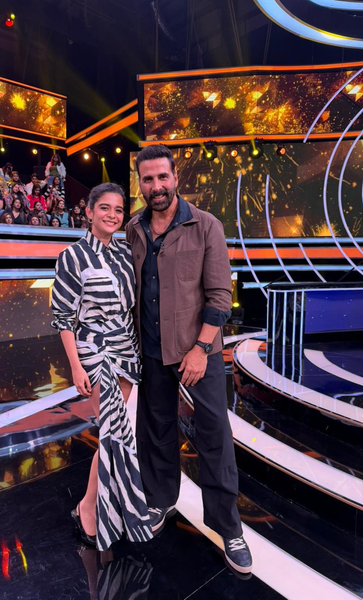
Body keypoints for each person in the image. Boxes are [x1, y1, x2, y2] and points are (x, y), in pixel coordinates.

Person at [126, 144, 252, 574]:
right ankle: (160, 501)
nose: (156, 186)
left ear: (175, 177)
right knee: (156, 432)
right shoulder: (134, 228)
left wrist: (200, 349)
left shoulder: (206, 225)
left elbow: (220, 297)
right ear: (140, 183)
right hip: (151, 351)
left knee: (214, 436)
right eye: (148, 179)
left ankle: (229, 528)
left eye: (162, 177)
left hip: (199, 351)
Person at [51, 182, 151, 551]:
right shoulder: (72, 256)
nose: (112, 215)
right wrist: (76, 367)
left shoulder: (125, 253)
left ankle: (102, 504)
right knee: (112, 431)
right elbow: (63, 318)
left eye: (118, 210)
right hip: (94, 351)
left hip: (126, 350)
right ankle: (88, 507)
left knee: (115, 432)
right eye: (104, 208)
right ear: (89, 211)